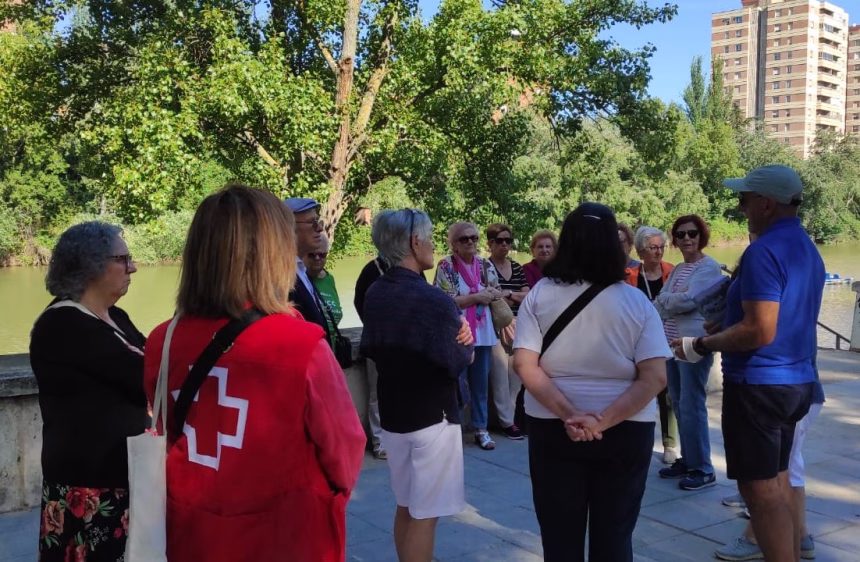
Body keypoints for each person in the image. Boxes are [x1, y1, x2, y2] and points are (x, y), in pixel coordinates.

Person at [144, 185, 365, 561]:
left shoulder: (162, 340)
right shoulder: (302, 344)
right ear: (274, 254)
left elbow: (168, 429)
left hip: (192, 535)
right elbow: (344, 452)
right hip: (285, 536)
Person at [674, 165, 824, 561]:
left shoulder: (763, 251)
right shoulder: (806, 247)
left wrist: (701, 344)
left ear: (767, 204)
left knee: (759, 492)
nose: (740, 207)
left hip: (759, 386)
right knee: (778, 481)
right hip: (796, 382)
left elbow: (759, 330)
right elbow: (780, 316)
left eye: (744, 199)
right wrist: (728, 322)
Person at [513, 202, 671, 562]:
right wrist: (600, 421)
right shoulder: (636, 302)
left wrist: (570, 414)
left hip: (553, 427)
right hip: (626, 429)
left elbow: (524, 364)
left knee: (559, 538)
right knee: (615, 536)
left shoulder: (539, 295)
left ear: (566, 241)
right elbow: (655, 377)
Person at [361, 208, 475, 562]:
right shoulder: (434, 300)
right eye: (428, 238)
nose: (432, 245)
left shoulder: (376, 292)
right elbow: (460, 358)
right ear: (414, 242)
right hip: (432, 418)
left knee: (406, 505)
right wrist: (468, 342)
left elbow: (373, 347)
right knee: (426, 515)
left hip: (394, 415)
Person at [31, 221, 146, 561]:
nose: (133, 267)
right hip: (87, 489)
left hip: (120, 479)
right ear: (91, 265)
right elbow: (144, 375)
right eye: (122, 259)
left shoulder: (116, 316)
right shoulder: (63, 324)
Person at [716, 362, 824, 560]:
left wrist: (702, 346)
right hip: (791, 388)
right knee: (785, 472)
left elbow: (759, 339)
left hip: (776, 389)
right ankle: (800, 536)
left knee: (770, 483)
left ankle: (755, 539)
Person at [654, 214, 723, 491]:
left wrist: (669, 299)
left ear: (701, 236)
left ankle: (703, 468)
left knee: (692, 405)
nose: (686, 239)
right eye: (680, 234)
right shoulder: (679, 269)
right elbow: (663, 302)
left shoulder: (709, 267)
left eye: (692, 233)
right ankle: (688, 459)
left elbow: (689, 300)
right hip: (671, 345)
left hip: (694, 344)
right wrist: (671, 300)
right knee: (679, 402)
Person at [435, 222, 503, 450]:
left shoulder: (485, 264)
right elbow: (445, 300)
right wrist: (476, 297)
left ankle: (481, 429)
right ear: (453, 243)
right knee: (456, 383)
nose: (471, 242)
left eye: (474, 237)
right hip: (458, 333)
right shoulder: (446, 266)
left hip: (483, 333)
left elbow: (497, 291)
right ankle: (453, 429)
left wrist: (488, 294)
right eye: (464, 239)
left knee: (480, 384)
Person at [626, 226, 679, 465]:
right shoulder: (629, 276)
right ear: (640, 251)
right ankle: (636, 440)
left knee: (667, 395)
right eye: (652, 248)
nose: (658, 252)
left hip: (667, 339)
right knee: (638, 390)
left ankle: (670, 444)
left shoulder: (672, 272)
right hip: (637, 341)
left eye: (661, 247)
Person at [486, 222, 529, 440]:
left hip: (519, 324)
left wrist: (508, 294)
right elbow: (490, 295)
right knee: (499, 376)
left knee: (516, 376)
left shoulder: (517, 268)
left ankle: (510, 418)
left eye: (508, 240)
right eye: (499, 240)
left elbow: (528, 296)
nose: (504, 244)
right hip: (496, 325)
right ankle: (506, 423)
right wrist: (508, 297)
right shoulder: (485, 267)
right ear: (490, 243)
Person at [354, 253, 390, 460]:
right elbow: (359, 302)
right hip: (377, 341)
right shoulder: (370, 270)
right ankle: (379, 441)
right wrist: (374, 326)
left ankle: (400, 436)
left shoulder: (410, 266)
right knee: (377, 392)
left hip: (404, 340)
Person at [285, 197, 330, 338]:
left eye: (318, 221)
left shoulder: (301, 269)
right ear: (289, 228)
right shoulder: (281, 275)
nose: (319, 228)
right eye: (312, 222)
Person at [305, 233, 342, 348]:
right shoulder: (296, 282)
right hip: (310, 349)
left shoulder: (329, 279)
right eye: (311, 255)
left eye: (322, 255)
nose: (317, 258)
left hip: (330, 350)